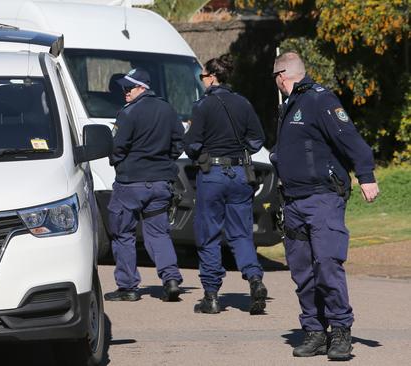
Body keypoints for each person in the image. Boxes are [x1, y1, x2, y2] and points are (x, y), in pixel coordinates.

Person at [271, 52, 379, 360]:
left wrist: (366, 176)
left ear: (282, 77)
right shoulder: (289, 107)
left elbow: (349, 137)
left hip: (322, 198)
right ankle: (315, 332)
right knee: (302, 271)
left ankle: (340, 331)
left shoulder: (319, 100)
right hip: (294, 202)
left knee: (327, 265)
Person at [183, 55, 268, 315]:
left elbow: (192, 145)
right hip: (240, 174)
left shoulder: (203, 106)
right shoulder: (243, 103)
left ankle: (211, 295)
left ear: (211, 77)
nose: (202, 81)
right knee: (241, 233)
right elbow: (256, 141)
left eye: (203, 77)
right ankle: (254, 278)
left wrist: (198, 147)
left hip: (213, 175)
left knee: (208, 234)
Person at [104, 68, 184, 302]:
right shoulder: (168, 109)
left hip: (130, 184)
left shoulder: (128, 114)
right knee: (158, 233)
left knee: (123, 234)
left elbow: (117, 147)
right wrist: (164, 162)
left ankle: (128, 287)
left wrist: (119, 163)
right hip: (160, 184)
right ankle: (170, 280)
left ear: (142, 88)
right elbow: (179, 142)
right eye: (124, 88)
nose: (125, 92)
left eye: (129, 87)